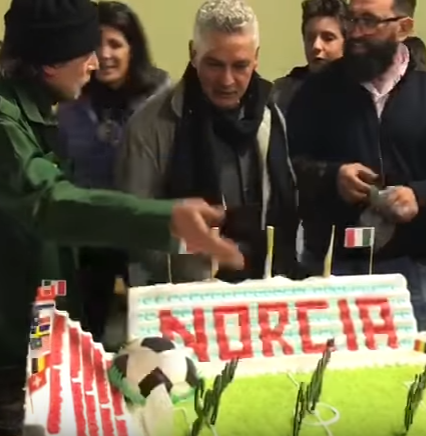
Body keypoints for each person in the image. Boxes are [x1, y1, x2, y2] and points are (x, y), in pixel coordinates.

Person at [0, 0, 244, 433]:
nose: (96, 64)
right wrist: (166, 219)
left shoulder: (33, 114)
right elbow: (50, 203)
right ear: (50, 62)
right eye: (86, 53)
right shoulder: (5, 126)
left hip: (41, 342)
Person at [288, 0, 426, 330]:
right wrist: (332, 176)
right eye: (352, 19)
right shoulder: (317, 90)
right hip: (330, 268)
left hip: (409, 274)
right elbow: (290, 164)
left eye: (369, 21)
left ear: (404, 27)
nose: (356, 32)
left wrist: (420, 195)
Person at [116, 0, 300, 284]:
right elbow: (134, 228)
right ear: (193, 53)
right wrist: (198, 254)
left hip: (263, 287)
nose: (227, 80)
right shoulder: (148, 127)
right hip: (182, 295)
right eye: (214, 64)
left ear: (256, 58)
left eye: (240, 66)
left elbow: (286, 206)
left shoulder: (271, 117)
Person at [56, 0, 170, 344]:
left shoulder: (161, 99)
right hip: (93, 231)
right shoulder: (72, 99)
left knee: (151, 336)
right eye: (95, 45)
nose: (104, 55)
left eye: (115, 44)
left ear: (133, 49)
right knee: (86, 328)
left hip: (146, 229)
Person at [272, 0, 348, 114]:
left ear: (347, 42)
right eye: (310, 38)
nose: (316, 46)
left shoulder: (363, 93)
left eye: (328, 38)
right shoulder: (282, 94)